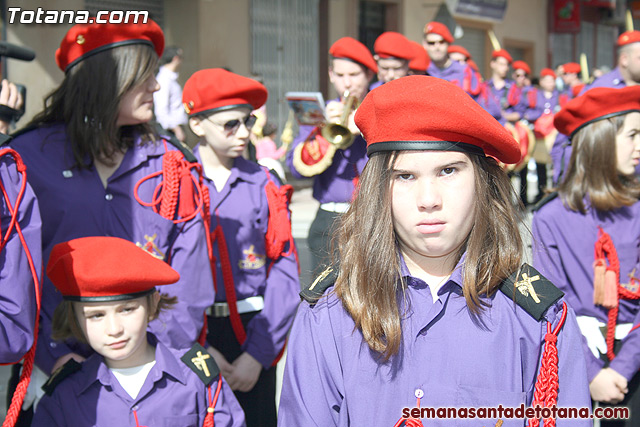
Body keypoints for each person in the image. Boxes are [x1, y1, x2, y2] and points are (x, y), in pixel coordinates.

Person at [279, 76, 591, 426]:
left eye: (448, 171)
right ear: (377, 190)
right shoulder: (330, 313)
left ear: (482, 181)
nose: (429, 200)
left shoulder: (539, 320)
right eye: (405, 176)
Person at [8, 19, 215, 406]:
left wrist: (155, 355)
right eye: (144, 75)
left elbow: (191, 279)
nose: (156, 86)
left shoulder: (172, 164)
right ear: (104, 78)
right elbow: (14, 273)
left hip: (152, 373)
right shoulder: (24, 160)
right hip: (52, 370)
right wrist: (53, 355)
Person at [183, 68, 300, 427]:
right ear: (197, 125)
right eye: (230, 125)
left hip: (253, 331)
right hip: (191, 333)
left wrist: (259, 354)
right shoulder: (176, 182)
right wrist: (194, 347)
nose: (245, 133)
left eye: (248, 121)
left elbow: (283, 266)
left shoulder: (263, 182)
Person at [32, 236, 244, 426]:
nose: (114, 329)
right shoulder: (64, 395)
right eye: (96, 315)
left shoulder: (197, 378)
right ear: (76, 319)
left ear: (153, 305)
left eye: (127, 310)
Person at [532, 86, 640, 425]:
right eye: (633, 135)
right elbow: (547, 301)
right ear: (600, 140)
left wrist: (622, 367)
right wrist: (592, 374)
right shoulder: (549, 217)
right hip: (576, 355)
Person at [286, 37, 375, 277]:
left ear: (368, 75)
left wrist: (365, 126)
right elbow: (295, 167)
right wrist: (324, 132)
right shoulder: (319, 113)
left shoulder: (379, 111)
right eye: (340, 75)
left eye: (354, 75)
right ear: (330, 75)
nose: (347, 82)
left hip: (371, 215)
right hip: (328, 219)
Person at [551, 31, 640, 185]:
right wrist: (563, 182)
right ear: (624, 59)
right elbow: (570, 135)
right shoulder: (602, 87)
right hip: (606, 184)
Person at [523, 68, 569, 204]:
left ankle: (555, 192)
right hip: (539, 134)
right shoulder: (534, 95)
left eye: (552, 80)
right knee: (540, 165)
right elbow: (528, 112)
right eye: (547, 80)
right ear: (542, 81)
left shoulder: (560, 96)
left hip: (555, 134)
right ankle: (541, 192)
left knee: (556, 164)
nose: (550, 83)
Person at [423, 22, 480, 98]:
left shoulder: (465, 71)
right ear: (425, 44)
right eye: (431, 43)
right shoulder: (421, 71)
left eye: (441, 42)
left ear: (448, 44)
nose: (437, 47)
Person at [153, 45, 188, 142]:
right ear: (176, 58)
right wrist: (176, 129)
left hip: (175, 129)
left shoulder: (171, 78)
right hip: (171, 132)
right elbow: (161, 110)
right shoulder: (164, 80)